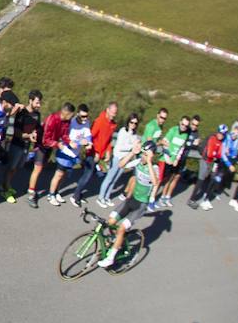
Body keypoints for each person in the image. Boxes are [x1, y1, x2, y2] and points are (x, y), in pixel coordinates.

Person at [97, 141, 161, 269]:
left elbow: (155, 182)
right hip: (131, 200)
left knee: (121, 228)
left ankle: (110, 258)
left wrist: (149, 161)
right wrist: (132, 153)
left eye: (145, 155)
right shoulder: (138, 162)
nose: (143, 157)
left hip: (141, 205)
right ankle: (117, 242)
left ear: (152, 156)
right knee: (110, 222)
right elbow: (121, 165)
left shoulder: (154, 168)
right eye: (142, 154)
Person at [28, 101, 74, 207]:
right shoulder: (52, 119)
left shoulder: (67, 121)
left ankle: (32, 184)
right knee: (37, 169)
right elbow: (45, 140)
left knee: (41, 167)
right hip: (42, 145)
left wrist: (69, 141)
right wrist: (58, 144)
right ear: (66, 113)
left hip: (51, 146)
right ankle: (31, 193)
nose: (72, 117)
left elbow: (65, 134)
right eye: (71, 115)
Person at [1, 90, 42, 201]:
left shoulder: (37, 115)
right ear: (30, 101)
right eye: (37, 102)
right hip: (17, 145)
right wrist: (29, 136)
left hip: (26, 146)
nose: (39, 105)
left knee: (17, 168)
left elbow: (36, 129)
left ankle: (6, 184)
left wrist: (35, 135)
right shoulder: (22, 113)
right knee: (11, 167)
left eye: (40, 103)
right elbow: (16, 131)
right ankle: (5, 190)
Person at [49, 103, 92, 206]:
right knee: (58, 174)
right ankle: (51, 195)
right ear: (77, 114)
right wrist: (78, 142)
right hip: (65, 151)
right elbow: (65, 137)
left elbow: (88, 135)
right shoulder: (71, 122)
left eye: (86, 116)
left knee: (64, 175)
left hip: (74, 154)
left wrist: (89, 143)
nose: (85, 118)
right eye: (82, 116)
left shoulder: (86, 123)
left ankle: (57, 192)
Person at [98, 113, 142, 206]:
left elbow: (135, 146)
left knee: (115, 179)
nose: (133, 125)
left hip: (125, 159)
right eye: (131, 122)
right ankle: (100, 197)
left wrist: (136, 146)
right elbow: (121, 147)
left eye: (135, 123)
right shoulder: (123, 131)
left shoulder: (134, 135)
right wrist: (132, 146)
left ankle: (107, 197)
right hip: (117, 157)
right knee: (109, 178)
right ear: (128, 122)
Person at [190, 124, 235, 210]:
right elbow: (210, 153)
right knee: (201, 180)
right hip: (205, 160)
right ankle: (191, 199)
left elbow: (220, 153)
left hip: (213, 162)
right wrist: (217, 154)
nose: (220, 135)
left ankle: (205, 199)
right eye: (219, 133)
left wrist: (218, 154)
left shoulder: (221, 141)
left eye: (222, 134)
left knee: (212, 179)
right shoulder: (212, 138)